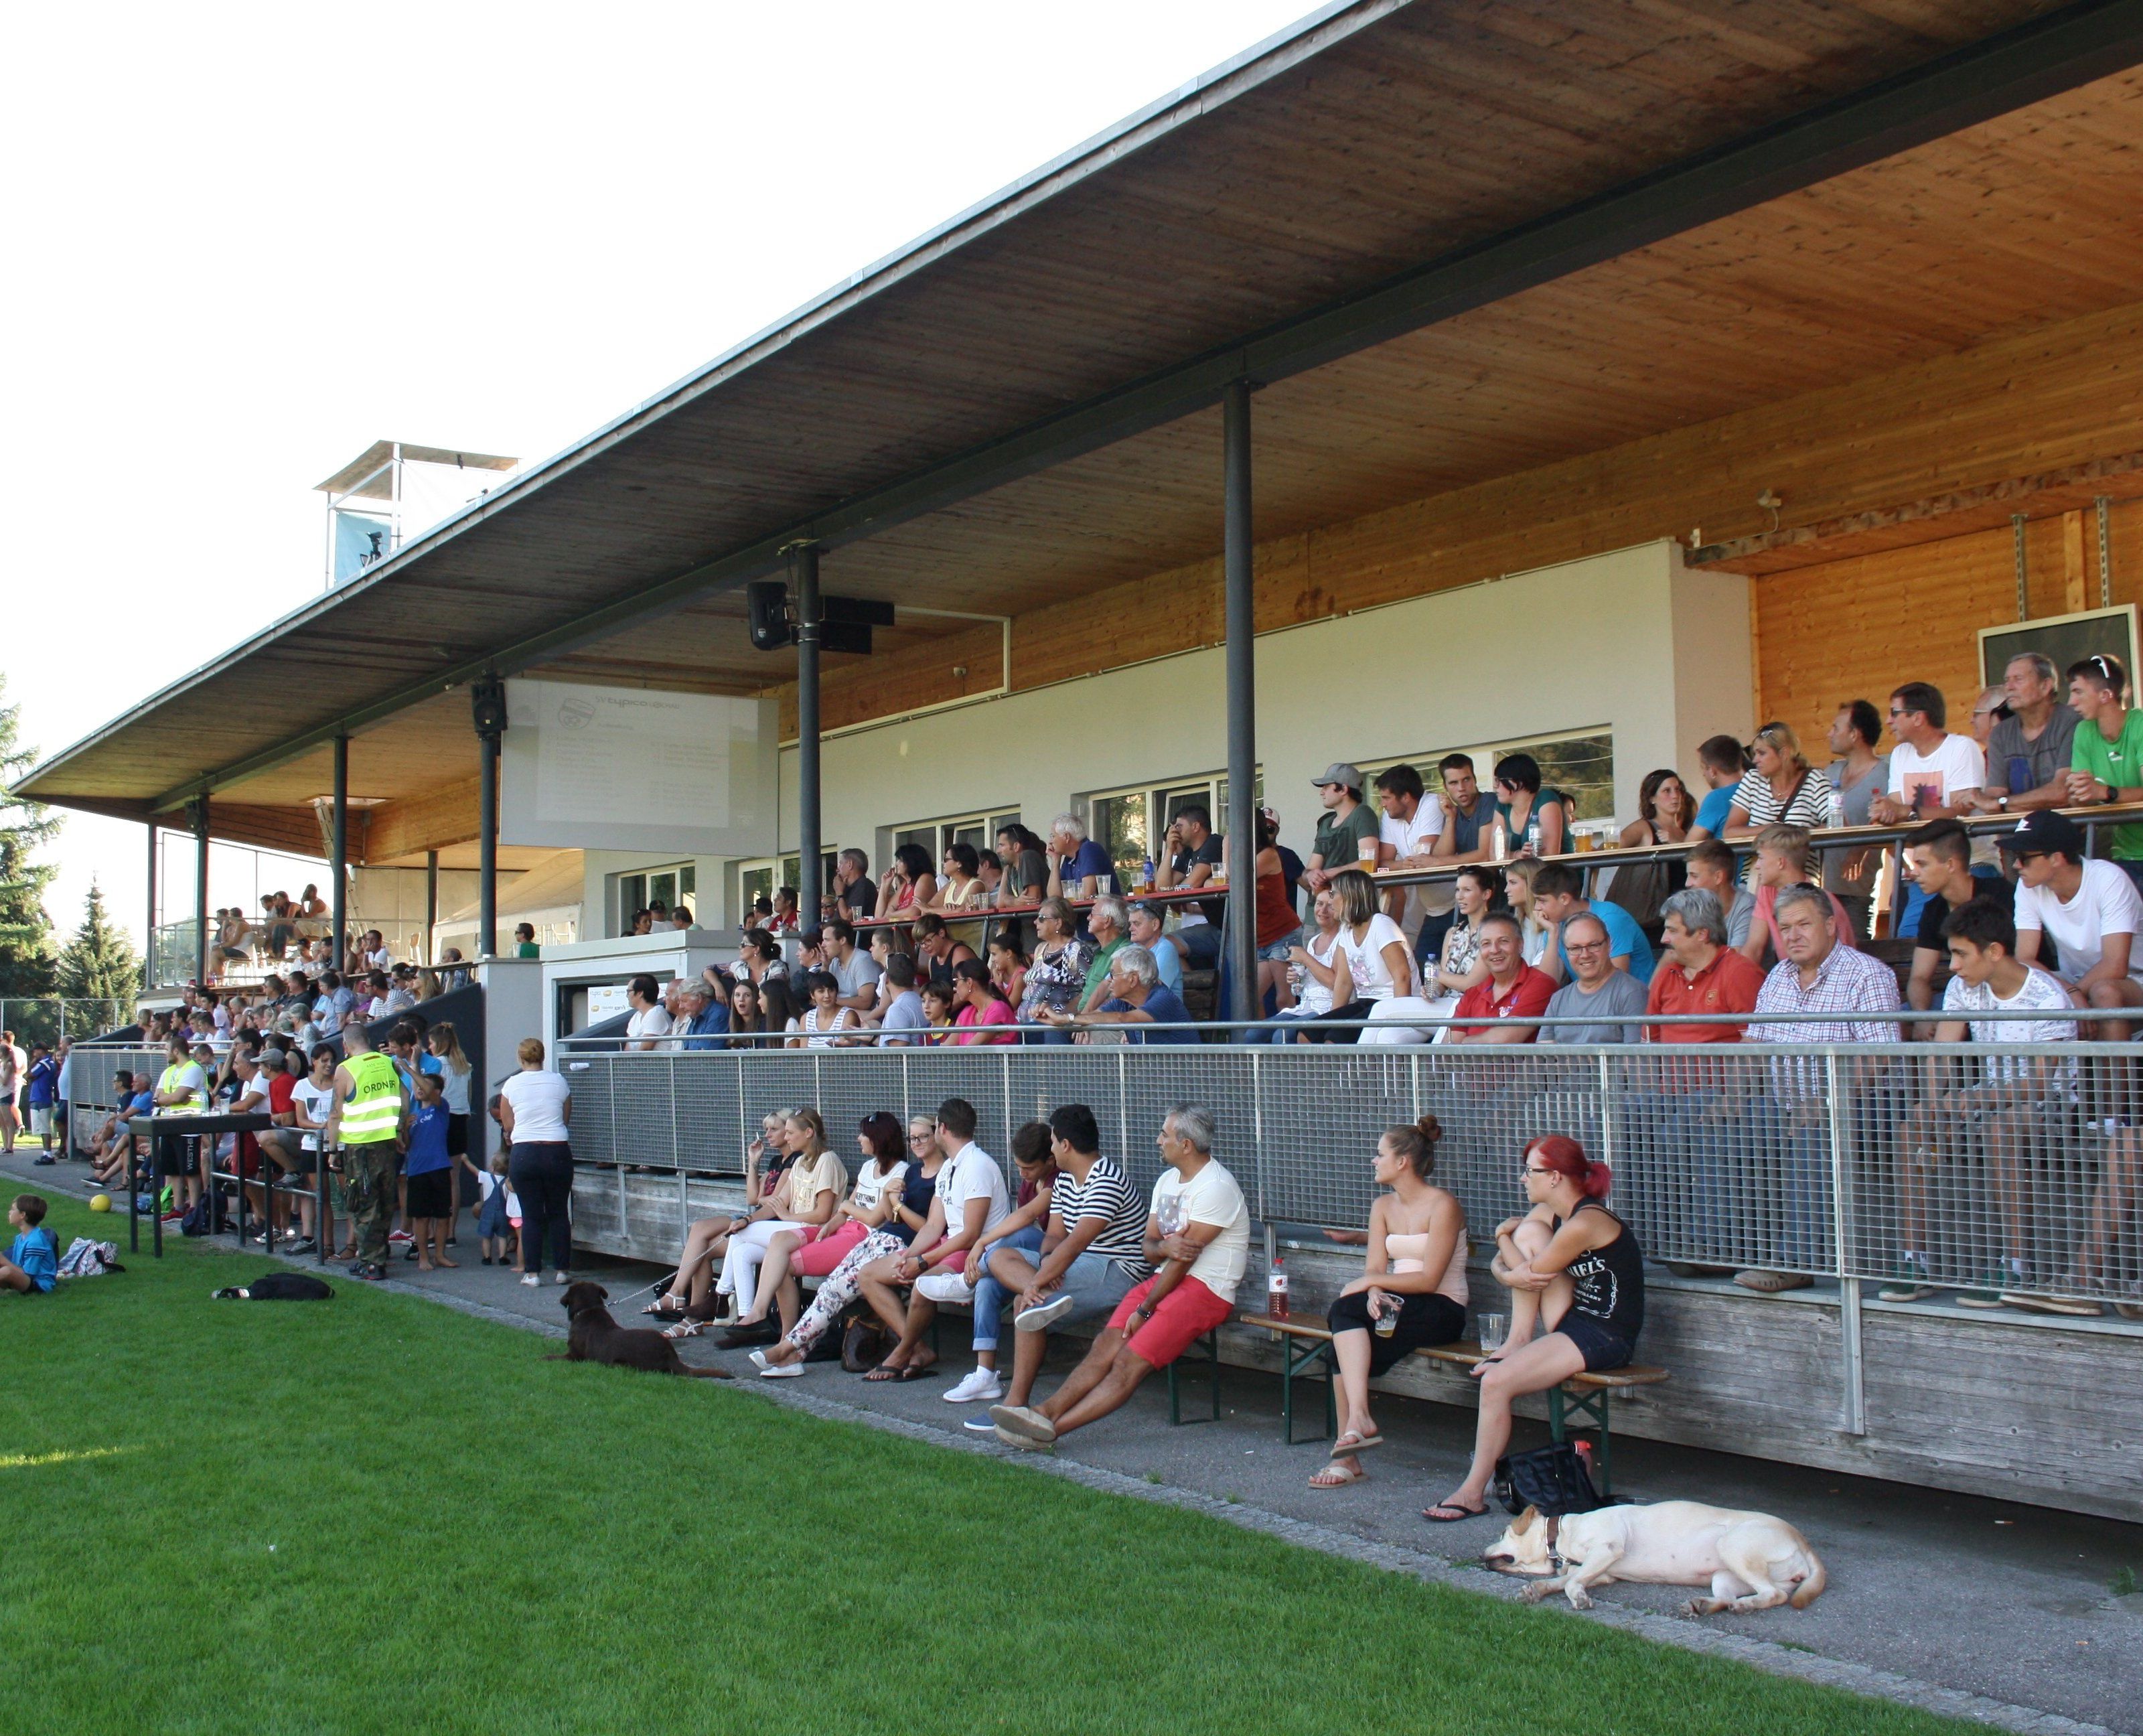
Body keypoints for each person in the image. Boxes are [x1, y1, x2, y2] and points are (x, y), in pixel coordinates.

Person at [990, 1104, 1248, 1450]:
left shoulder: (1216, 1186)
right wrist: (1165, 1250)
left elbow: (1182, 1262)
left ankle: (1051, 1430)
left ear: (1186, 1144)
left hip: (1207, 1290)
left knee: (1126, 1363)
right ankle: (1041, 1412)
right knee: (1104, 1346)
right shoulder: (1167, 1180)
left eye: (1165, 1135)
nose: (1158, 1141)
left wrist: (1146, 1307)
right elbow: (1149, 1246)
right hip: (1161, 1280)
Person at [1886, 896, 2087, 1313]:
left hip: (2051, 1108)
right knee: (1912, 1126)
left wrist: (1969, 1099)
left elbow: (2039, 1084)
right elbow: (1941, 1054)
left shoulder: (2046, 994)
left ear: (1994, 952)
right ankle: (1915, 1261)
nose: (1953, 966)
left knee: (2002, 1128)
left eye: (1961, 954)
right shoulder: (1963, 987)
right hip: (1987, 1100)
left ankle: (2015, 1265)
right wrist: (1934, 1106)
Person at [1424, 1137, 1640, 1522]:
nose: (1522, 1178)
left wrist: (1500, 1240)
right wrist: (1511, 1250)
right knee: (1530, 1233)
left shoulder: (1587, 1221)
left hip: (1607, 1334)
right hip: (1575, 1319)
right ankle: (1518, 1340)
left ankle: (1472, 1492)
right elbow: (1523, 1272)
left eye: (1530, 1171)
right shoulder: (1553, 1213)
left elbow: (1528, 1278)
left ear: (1555, 1177)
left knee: (1496, 1382)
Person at [960, 1102, 1151, 1430]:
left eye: (1051, 1142)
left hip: (1117, 1268)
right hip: (1081, 1263)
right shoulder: (1065, 1182)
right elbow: (1054, 1238)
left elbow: (1076, 1243)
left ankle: (1015, 1405)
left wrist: (1036, 1283)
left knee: (1023, 1303)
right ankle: (1042, 1302)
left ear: (1065, 1145)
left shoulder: (1106, 1180)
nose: (1049, 1148)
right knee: (1000, 1255)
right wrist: (1046, 1266)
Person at [1311, 1116, 1467, 1490]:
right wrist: (1372, 1290)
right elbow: (1376, 1267)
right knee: (1344, 1328)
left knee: (1342, 1318)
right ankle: (1355, 1432)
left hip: (1442, 1306)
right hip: (1399, 1301)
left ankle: (1353, 1439)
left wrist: (1370, 1283)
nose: (1373, 1161)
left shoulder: (1443, 1204)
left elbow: (1430, 1279)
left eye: (1380, 1154)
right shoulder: (1382, 1206)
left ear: (1402, 1162)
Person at [841, 1098, 1008, 1381]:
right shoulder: (950, 1167)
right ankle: (918, 1349)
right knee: (869, 1274)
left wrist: (924, 1261)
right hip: (950, 1246)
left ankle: (901, 1352)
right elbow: (933, 1225)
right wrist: (910, 1256)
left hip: (978, 1253)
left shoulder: (977, 1165)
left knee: (922, 1283)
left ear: (942, 1129)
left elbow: (971, 1234)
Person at [745, 1112, 910, 1337]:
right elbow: (846, 1210)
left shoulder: (901, 1171)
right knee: (779, 1241)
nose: (858, 1139)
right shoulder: (867, 1167)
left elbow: (873, 1219)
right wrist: (830, 1226)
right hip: (843, 1229)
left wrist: (846, 1208)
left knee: (782, 1266)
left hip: (864, 1238)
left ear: (878, 1139)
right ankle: (764, 1315)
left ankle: (788, 1337)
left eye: (863, 1134)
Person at [2002, 808, 2143, 1035]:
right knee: (2016, 985)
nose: (2016, 865)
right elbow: (2025, 958)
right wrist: (2069, 991)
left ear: (2057, 858)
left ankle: (2115, 1071)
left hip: (2133, 980)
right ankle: (2039, 1071)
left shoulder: (2108, 879)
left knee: (2104, 992)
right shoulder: (2028, 887)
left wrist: (2071, 993)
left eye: (2023, 857)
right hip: (2075, 981)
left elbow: (2115, 965)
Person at [717, 1108, 846, 1333]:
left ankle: (722, 1295)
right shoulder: (800, 1162)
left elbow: (823, 1214)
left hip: (817, 1231)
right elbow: (776, 1203)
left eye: (789, 1133)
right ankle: (747, 1317)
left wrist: (787, 1217)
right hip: (795, 1228)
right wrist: (748, 1219)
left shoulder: (827, 1160)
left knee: (741, 1236)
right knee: (741, 1251)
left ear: (808, 1133)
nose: (786, 1138)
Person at [1901, 818, 2008, 1023]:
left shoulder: (2001, 894)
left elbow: (2017, 965)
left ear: (1950, 864)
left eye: (1922, 864)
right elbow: (1919, 978)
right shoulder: (1933, 910)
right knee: (1897, 1022)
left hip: (2009, 998)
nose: (1914, 873)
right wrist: (1922, 1018)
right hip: (1962, 997)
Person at [325, 1022, 408, 1283]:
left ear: (345, 1045)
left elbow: (336, 1113)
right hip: (386, 1143)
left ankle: (371, 1263)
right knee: (384, 1202)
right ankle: (379, 1255)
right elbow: (404, 1097)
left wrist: (332, 1149)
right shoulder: (387, 1063)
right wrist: (399, 1128)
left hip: (359, 1147)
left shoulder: (346, 1069)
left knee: (363, 1204)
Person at [1299, 867, 1414, 1043]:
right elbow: (1344, 983)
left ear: (1349, 897)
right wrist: (1333, 1019)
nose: (1331, 901)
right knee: (1308, 1034)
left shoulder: (1381, 925)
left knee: (1334, 1039)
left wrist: (1398, 1023)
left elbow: (1403, 976)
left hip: (1389, 1003)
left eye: (1333, 894)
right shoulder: (1346, 929)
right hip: (1365, 1002)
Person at [1962, 653, 2079, 817]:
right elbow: (1993, 797)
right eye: (2007, 680)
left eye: (2018, 679)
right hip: (2015, 834)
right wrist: (1985, 800)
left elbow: (2062, 792)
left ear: (2046, 686)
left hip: (2069, 832)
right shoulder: (2000, 734)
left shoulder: (2073, 723)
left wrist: (2002, 804)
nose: (2009, 687)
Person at [2063, 652, 2143, 890]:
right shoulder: (2084, 732)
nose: (2070, 702)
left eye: (2078, 692)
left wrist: (2104, 792)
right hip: (2123, 854)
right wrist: (2079, 793)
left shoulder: (2139, 724)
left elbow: (2103, 793)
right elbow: (2081, 805)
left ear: (2106, 695)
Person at [498, 1037, 573, 1288]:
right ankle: (562, 1270)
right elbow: (565, 1118)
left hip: (525, 1151)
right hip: (556, 1150)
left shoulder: (511, 1085)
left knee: (531, 1215)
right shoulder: (559, 1081)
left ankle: (533, 1273)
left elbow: (508, 1124)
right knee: (559, 1212)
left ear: (520, 1058)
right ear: (543, 1057)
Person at [1644, 888, 1765, 1042]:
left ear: (1702, 934)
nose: (1664, 939)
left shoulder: (1740, 973)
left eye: (1672, 931)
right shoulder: (1665, 975)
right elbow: (1648, 1047)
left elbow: (1755, 1045)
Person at [1734, 824, 1858, 970]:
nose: (1757, 866)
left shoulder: (1820, 902)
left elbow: (1833, 965)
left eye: (1761, 858)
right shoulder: (1767, 891)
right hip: (1794, 979)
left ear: (1781, 862)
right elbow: (1754, 947)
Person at [1871, 682, 1985, 826]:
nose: (1888, 721)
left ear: (1918, 718)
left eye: (1894, 713)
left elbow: (1961, 813)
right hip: (1915, 847)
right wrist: (1884, 812)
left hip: (1964, 848)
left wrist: (1906, 812)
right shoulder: (1900, 753)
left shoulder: (1961, 747)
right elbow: (1896, 808)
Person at [1530, 861, 1655, 985]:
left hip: (1634, 1000)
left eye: (1542, 901)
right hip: (1590, 999)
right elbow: (1547, 985)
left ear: (1564, 899)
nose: (1537, 908)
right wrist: (1553, 934)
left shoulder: (1610, 919)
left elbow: (1616, 984)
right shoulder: (1555, 925)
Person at [1445, 914, 1555, 1045]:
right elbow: (1448, 1047)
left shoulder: (1540, 984)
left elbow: (1503, 1041)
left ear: (1520, 945)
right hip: (1470, 1066)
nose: (1494, 950)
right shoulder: (1472, 994)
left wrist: (1465, 1043)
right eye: (1486, 944)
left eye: (1503, 941)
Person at [1608, 767, 1694, 935]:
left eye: (1678, 790)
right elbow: (1608, 848)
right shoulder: (1643, 827)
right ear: (1652, 798)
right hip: (1652, 918)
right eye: (1667, 791)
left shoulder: (1685, 832)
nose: (1675, 796)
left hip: (1683, 916)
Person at [1051, 944, 1197, 1042]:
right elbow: (1097, 1016)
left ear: (1133, 979)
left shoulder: (1162, 998)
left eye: (1114, 974)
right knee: (1080, 1033)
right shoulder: (1125, 1001)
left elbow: (1122, 1018)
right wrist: (1058, 1019)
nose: (1110, 981)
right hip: (1154, 1078)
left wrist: (1065, 1019)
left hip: (1183, 1081)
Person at [1542, 914, 1649, 1043]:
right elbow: (1543, 1056)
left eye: (1593, 945)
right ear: (1566, 951)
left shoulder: (1632, 993)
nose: (1585, 955)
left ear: (1609, 944)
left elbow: (1636, 1059)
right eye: (1575, 948)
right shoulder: (1558, 999)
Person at [1372, 764, 1443, 934]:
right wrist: (1403, 864)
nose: (1382, 804)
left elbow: (1424, 858)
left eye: (1387, 798)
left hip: (1456, 901)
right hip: (1430, 907)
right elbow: (1382, 863)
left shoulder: (1431, 804)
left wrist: (1402, 865)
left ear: (1405, 797)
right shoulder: (1390, 817)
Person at [1155, 806, 1226, 968]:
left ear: (1196, 827)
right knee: (1164, 946)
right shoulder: (1187, 854)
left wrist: (1175, 888)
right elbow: (1162, 887)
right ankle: (1195, 992)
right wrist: (1169, 849)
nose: (1175, 831)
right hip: (1215, 928)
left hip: (1232, 929)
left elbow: (1191, 884)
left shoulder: (1214, 842)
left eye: (1179, 826)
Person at [151, 1033, 211, 1222]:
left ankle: (194, 1207)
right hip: (169, 1125)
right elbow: (158, 1096)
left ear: (176, 1051)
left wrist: (165, 1099)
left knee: (190, 1169)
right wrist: (166, 1099)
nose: (165, 1054)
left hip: (189, 1125)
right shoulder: (168, 1072)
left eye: (167, 1050)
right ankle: (177, 1207)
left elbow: (179, 1097)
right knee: (173, 1168)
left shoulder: (193, 1069)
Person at [1016, 897, 1092, 1040]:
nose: (1035, 922)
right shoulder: (1041, 948)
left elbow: (1089, 990)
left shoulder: (1077, 950)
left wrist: (1063, 1015)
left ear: (1058, 923)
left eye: (1042, 918)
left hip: (1055, 1027)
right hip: (1026, 1023)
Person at [402, 1071, 457, 1271]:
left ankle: (440, 1255)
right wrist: (406, 1130)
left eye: (423, 1085)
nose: (418, 1088)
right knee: (421, 1216)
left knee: (442, 1215)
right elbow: (407, 1146)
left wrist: (409, 1069)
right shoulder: (413, 1115)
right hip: (417, 1170)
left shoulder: (440, 1108)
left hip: (439, 1167)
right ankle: (423, 1257)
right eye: (417, 1085)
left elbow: (428, 1090)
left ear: (436, 1092)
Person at [1301, 763, 1378, 894]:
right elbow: (1308, 871)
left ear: (1343, 789)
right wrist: (1311, 875)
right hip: (1317, 905)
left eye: (1326, 786)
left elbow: (1369, 863)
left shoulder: (1363, 813)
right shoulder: (1325, 822)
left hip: (1349, 903)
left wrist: (1328, 873)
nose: (1322, 792)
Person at [1683, 839, 1757, 952]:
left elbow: (1736, 960)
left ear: (1718, 877)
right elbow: (1672, 956)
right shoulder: (1692, 906)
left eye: (1694, 876)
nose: (1687, 883)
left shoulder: (1747, 906)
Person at [1488, 753, 1566, 859]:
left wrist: (1514, 857)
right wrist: (1518, 855)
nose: (1495, 786)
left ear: (1517, 782)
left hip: (1557, 873)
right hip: (1518, 874)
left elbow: (1550, 854)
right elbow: (1494, 855)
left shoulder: (1546, 799)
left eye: (1499, 781)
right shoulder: (1502, 806)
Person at [1684, 734, 1749, 841]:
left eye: (1703, 768)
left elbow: (1689, 844)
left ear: (1712, 771)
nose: (1703, 774)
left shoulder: (1717, 798)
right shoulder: (1756, 788)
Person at [1074, 898, 1128, 1012]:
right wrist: (1057, 1018)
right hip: (1082, 1019)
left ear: (1107, 921)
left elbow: (1115, 999)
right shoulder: (1100, 954)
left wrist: (1083, 1020)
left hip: (1098, 1022)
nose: (1088, 917)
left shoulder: (1125, 953)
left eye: (1093, 914)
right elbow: (1082, 997)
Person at [1044, 813, 1113, 901]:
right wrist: (1055, 860)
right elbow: (1054, 899)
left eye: (1053, 836)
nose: (1050, 842)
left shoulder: (1089, 849)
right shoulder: (1068, 860)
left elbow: (1087, 895)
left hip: (1106, 911)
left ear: (1066, 837)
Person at [947, 958, 1018, 1044]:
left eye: (956, 982)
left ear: (969, 982)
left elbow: (970, 1050)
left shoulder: (998, 1009)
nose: (955, 988)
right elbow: (946, 1049)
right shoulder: (967, 1012)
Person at [0, 1194, 57, 1295]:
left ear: (22, 1215)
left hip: (38, 1285)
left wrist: (3, 1261)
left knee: (7, 1271)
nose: (10, 1212)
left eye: (13, 1209)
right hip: (25, 1279)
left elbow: (28, 1274)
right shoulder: (21, 1237)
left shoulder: (35, 1242)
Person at [823, 918, 882, 1014]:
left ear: (842, 940)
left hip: (864, 1016)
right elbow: (823, 993)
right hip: (840, 1013)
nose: (823, 945)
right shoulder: (833, 962)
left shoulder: (862, 960)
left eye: (827, 940)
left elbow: (865, 1002)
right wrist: (825, 967)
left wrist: (830, 1001)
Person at [792, 970, 863, 1047]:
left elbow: (844, 1052)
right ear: (812, 995)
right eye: (821, 991)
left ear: (837, 992)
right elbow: (804, 1055)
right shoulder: (805, 1019)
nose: (827, 995)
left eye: (831, 990)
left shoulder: (848, 1016)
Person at [875, 842, 938, 919]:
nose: (896, 864)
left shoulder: (925, 878)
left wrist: (892, 914)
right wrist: (885, 885)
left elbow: (914, 911)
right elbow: (879, 916)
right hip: (898, 929)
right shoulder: (904, 885)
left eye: (900, 860)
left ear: (911, 861)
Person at [24, 1043, 59, 1161]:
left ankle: (48, 1154)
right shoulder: (50, 1063)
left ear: (41, 1051)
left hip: (41, 1097)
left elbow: (29, 1074)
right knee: (42, 1128)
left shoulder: (44, 1063)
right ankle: (46, 1153)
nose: (34, 1054)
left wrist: (33, 1062)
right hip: (40, 1097)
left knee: (44, 1128)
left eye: (35, 1051)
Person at [624, 974, 671, 1050]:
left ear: (640, 993)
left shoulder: (657, 1013)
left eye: (629, 991)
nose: (627, 995)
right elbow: (627, 1051)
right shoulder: (636, 1016)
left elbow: (644, 1051)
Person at [831, 848, 879, 922]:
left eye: (841, 864)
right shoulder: (847, 888)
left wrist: (840, 894)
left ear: (850, 864)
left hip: (853, 932)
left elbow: (849, 918)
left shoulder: (864, 885)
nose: (837, 869)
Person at [986, 932, 1029, 1012]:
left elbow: (1008, 1009)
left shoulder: (1021, 977)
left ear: (1008, 954)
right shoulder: (998, 973)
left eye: (994, 954)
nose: (992, 959)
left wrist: (998, 985)